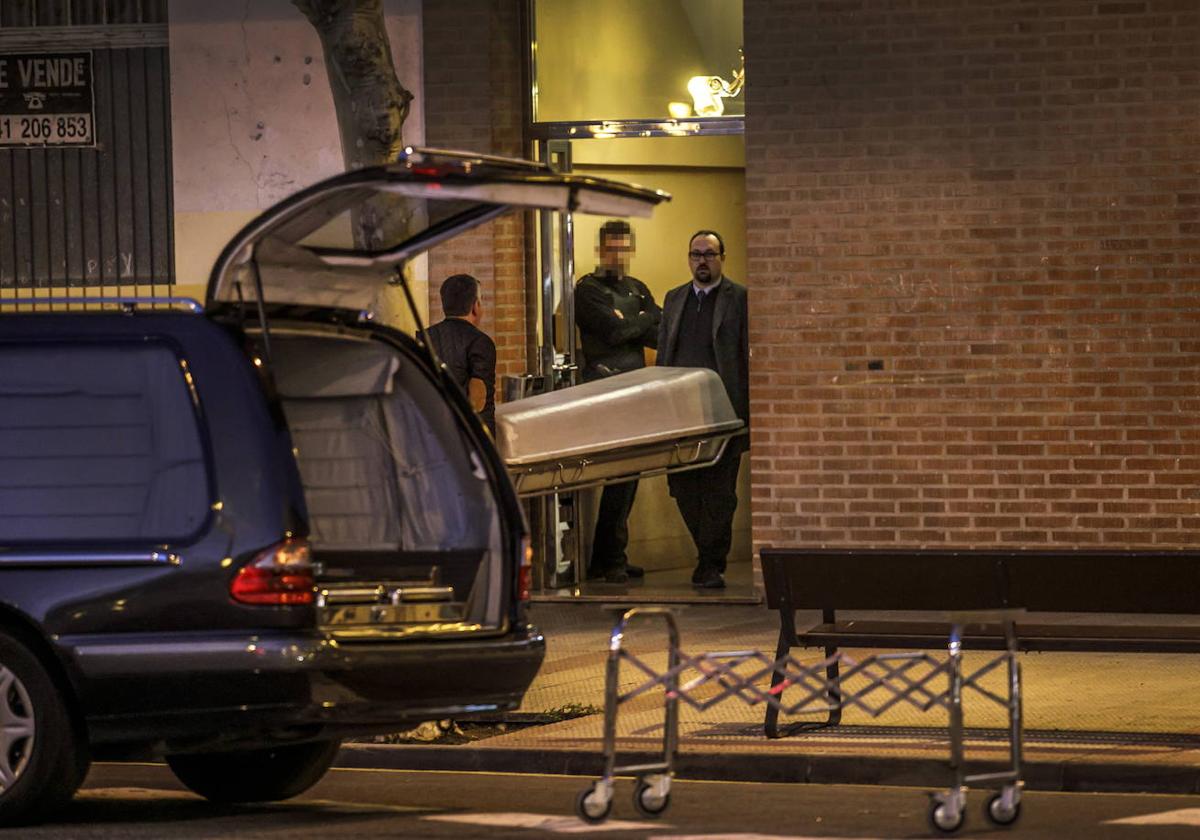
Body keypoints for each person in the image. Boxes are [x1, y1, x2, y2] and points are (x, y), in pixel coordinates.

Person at [657, 230, 749, 589]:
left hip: (723, 413)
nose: (702, 261)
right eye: (696, 254)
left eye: (709, 254)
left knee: (720, 492)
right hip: (680, 414)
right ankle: (706, 554)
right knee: (683, 487)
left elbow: (745, 356)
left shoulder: (738, 299)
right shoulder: (675, 298)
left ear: (721, 257)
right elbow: (666, 350)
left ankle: (711, 563)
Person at [575, 220, 661, 583]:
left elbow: (659, 329)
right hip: (604, 388)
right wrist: (641, 318)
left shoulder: (637, 288)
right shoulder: (588, 289)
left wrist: (634, 321)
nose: (617, 254)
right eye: (611, 248)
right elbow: (613, 331)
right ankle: (607, 559)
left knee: (629, 475)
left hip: (635, 388)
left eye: (622, 248)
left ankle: (613, 556)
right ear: (601, 250)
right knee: (616, 473)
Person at [423, 273, 496, 435]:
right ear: (476, 307)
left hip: (429, 434)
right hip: (470, 440)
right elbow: (478, 399)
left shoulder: (423, 338)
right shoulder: (480, 342)